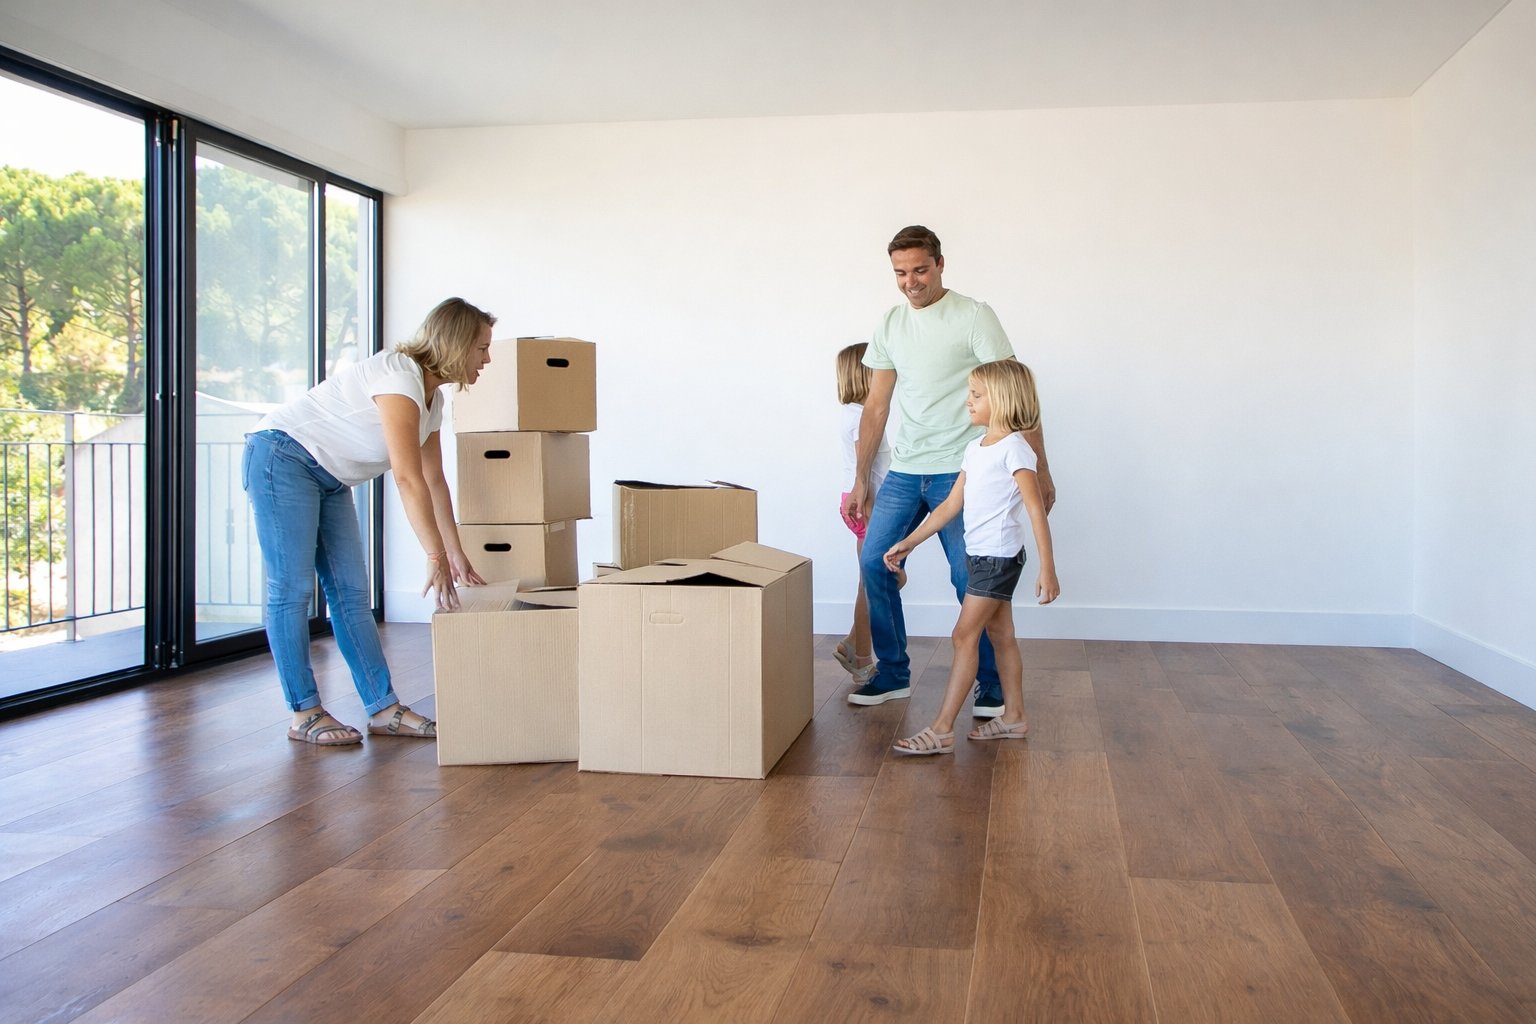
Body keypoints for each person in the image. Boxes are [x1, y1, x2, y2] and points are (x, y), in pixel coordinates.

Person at [243, 297, 494, 746]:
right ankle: (304, 713)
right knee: (292, 591)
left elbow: (436, 481)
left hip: (330, 477)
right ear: (456, 345)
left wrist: (455, 553)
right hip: (282, 456)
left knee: (352, 595)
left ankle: (383, 708)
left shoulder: (432, 399)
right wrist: (433, 554)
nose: (487, 359)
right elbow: (406, 477)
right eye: (481, 348)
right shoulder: (400, 377)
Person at [843, 225, 1054, 713]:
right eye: (900, 273)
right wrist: (860, 479)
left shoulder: (974, 316)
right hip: (904, 470)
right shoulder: (891, 323)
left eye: (920, 269)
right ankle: (893, 674)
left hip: (963, 470)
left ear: (940, 264)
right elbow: (876, 408)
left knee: (971, 579)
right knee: (875, 561)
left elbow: (1014, 391)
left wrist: (1041, 470)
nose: (911, 281)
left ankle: (992, 684)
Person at [882, 359, 1058, 754]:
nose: (968, 401)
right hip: (980, 558)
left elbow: (1035, 511)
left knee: (964, 636)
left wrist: (1048, 568)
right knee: (1002, 635)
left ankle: (943, 729)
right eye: (970, 393)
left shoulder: (1016, 450)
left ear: (1004, 400)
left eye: (977, 395)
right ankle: (1014, 717)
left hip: (998, 560)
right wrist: (909, 542)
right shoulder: (975, 448)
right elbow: (947, 508)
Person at [833, 342, 905, 686]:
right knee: (875, 582)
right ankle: (863, 660)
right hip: (868, 504)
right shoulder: (862, 417)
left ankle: (852, 643)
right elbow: (867, 472)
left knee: (872, 581)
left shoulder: (852, 413)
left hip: (859, 503)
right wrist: (875, 514)